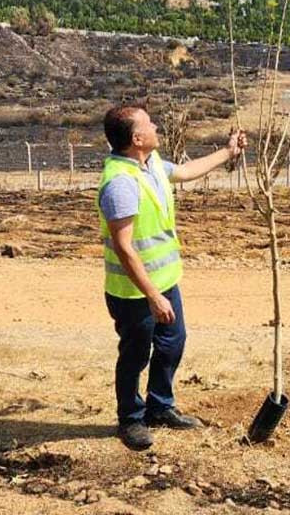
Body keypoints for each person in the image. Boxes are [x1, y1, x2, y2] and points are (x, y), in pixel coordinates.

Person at [97, 104, 246, 450]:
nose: (156, 126)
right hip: (134, 293)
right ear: (137, 138)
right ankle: (131, 419)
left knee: (172, 342)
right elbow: (124, 248)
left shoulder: (149, 166)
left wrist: (228, 151)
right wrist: (152, 295)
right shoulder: (121, 182)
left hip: (165, 281)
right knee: (135, 356)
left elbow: (185, 171)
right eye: (149, 123)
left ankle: (160, 406)